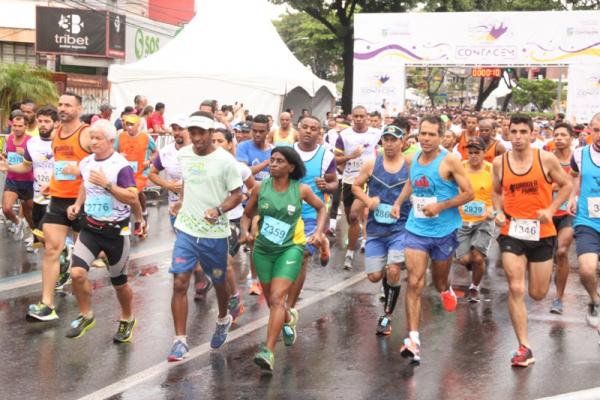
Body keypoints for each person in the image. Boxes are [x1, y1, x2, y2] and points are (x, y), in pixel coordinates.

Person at [391, 114, 474, 364]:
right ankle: (413, 340)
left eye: (431, 134)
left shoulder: (449, 161)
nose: (425, 138)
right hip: (416, 229)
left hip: (443, 231)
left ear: (441, 136)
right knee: (414, 282)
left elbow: (469, 193)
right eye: (422, 133)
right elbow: (411, 183)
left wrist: (441, 206)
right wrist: (398, 202)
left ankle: (446, 288)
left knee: (437, 281)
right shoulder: (411, 158)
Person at [493, 114, 571, 367]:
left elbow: (567, 184)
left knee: (537, 294)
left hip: (542, 233)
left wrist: (551, 209)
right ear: (508, 133)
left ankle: (541, 279)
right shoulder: (499, 162)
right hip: (512, 230)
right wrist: (497, 211)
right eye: (513, 131)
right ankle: (524, 347)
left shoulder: (545, 159)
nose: (517, 137)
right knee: (516, 288)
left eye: (522, 132)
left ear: (532, 134)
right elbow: (496, 191)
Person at [240, 147, 326, 371]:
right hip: (263, 251)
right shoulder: (260, 188)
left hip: (290, 249)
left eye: (280, 161)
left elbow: (321, 208)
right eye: (272, 160)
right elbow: (247, 214)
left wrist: (318, 232)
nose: (273, 164)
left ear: (291, 167)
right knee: (273, 303)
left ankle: (268, 350)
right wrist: (245, 232)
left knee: (278, 298)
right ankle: (288, 318)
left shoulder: (302, 190)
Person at [167, 112, 243, 362]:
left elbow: (237, 195)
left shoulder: (225, 161)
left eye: (201, 132)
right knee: (180, 282)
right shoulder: (184, 154)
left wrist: (219, 209)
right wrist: (181, 201)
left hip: (214, 234)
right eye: (193, 132)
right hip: (187, 230)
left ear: (211, 133)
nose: (197, 137)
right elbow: (188, 182)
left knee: (219, 282)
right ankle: (180, 341)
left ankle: (223, 319)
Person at [64, 119, 140, 341]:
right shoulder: (87, 162)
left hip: (116, 231)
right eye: (91, 137)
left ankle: (127, 318)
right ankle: (86, 314)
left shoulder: (120, 165)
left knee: (119, 282)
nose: (93, 142)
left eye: (98, 138)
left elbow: (132, 196)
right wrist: (77, 205)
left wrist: (107, 184)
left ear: (110, 141)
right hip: (91, 228)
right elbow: (85, 185)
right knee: (76, 273)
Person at [26, 93, 92, 321]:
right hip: (58, 199)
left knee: (82, 264)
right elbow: (60, 165)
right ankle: (47, 304)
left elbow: (100, 166)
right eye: (60, 104)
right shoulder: (56, 134)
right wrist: (51, 185)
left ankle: (87, 310)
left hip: (82, 201)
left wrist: (81, 178)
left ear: (79, 108)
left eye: (68, 105)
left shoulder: (86, 134)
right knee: (51, 249)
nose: (62, 108)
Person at [353, 124, 410, 335]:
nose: (389, 143)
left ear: (402, 142)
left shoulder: (409, 165)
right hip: (376, 229)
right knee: (375, 276)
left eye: (394, 139)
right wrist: (368, 200)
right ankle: (389, 283)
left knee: (393, 269)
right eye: (386, 139)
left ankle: (387, 315)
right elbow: (355, 186)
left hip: (400, 227)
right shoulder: (371, 163)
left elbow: (422, 184)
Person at [286, 116, 337, 329]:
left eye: (313, 128)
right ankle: (322, 242)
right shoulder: (286, 152)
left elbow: (335, 183)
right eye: (304, 127)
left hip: (312, 215)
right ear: (298, 129)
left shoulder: (326, 155)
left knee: (301, 256)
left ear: (320, 133)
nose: (308, 131)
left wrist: (326, 184)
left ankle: (289, 308)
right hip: (285, 214)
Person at [212, 128, 256, 322]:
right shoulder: (206, 166)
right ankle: (228, 295)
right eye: (212, 140)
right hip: (210, 222)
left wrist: (245, 198)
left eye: (220, 140)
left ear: (230, 144)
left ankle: (234, 298)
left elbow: (255, 189)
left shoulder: (240, 168)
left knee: (224, 261)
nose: (216, 144)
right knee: (213, 266)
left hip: (232, 221)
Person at [334, 105, 382, 270]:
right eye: (356, 116)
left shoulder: (376, 133)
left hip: (367, 180)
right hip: (348, 181)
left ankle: (349, 254)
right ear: (351, 117)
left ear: (367, 117)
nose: (359, 119)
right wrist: (351, 156)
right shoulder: (344, 135)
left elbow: (390, 148)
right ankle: (359, 235)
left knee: (354, 215)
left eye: (362, 116)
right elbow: (336, 159)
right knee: (350, 219)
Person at [569, 112, 600, 330]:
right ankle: (595, 301)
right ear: (590, 130)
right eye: (596, 130)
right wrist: (572, 196)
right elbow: (572, 175)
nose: (599, 135)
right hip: (587, 221)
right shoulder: (579, 154)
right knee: (587, 270)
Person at [236, 114, 273, 295]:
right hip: (247, 199)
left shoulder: (274, 150)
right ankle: (254, 280)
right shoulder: (243, 147)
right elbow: (245, 171)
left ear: (268, 131)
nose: (257, 134)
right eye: (254, 131)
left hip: (267, 200)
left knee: (261, 240)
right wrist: (266, 163)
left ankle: (263, 274)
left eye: (261, 131)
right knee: (253, 239)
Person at [455, 137, 494, 303]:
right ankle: (474, 265)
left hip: (483, 220)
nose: (473, 156)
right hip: (462, 220)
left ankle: (474, 287)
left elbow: (499, 193)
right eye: (470, 152)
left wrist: (492, 209)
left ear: (484, 153)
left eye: (477, 152)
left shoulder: (491, 169)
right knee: (464, 259)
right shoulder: (460, 168)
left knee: (478, 257)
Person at [547, 122, 575, 315]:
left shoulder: (579, 159)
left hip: (569, 213)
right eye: (556, 135)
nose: (559, 138)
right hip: (547, 213)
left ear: (571, 138)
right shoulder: (546, 159)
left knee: (562, 252)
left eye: (563, 135)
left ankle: (558, 298)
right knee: (547, 257)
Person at [114, 114, 157, 236]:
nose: (129, 126)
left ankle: (137, 220)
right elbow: (113, 151)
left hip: (140, 172)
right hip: (125, 171)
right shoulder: (120, 136)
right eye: (127, 124)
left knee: (134, 192)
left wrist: (149, 161)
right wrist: (118, 156)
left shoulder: (146, 137)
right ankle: (141, 213)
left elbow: (155, 152)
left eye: (132, 124)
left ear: (138, 125)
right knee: (134, 194)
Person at [1, 113, 34, 239]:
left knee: (29, 212)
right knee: (7, 209)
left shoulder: (31, 141)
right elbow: (7, 154)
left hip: (28, 181)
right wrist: (4, 157)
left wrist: (25, 153)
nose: (16, 128)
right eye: (14, 125)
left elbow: (39, 161)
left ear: (26, 126)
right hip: (12, 180)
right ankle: (18, 222)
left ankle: (34, 235)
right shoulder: (9, 138)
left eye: (20, 126)